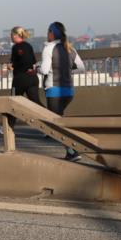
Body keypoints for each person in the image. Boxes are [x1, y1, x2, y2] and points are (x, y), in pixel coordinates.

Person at [40, 21, 86, 161]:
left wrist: (36, 68)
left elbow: (44, 70)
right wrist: (67, 69)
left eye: (48, 31)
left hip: (54, 90)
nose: (47, 34)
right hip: (69, 92)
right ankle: (72, 150)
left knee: (55, 123)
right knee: (60, 119)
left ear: (52, 33)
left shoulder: (49, 48)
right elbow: (81, 67)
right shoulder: (70, 49)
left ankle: (73, 151)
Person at [7, 26, 42, 130]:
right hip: (32, 78)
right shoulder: (29, 46)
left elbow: (23, 62)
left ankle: (9, 126)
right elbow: (33, 62)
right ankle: (51, 122)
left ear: (15, 35)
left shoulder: (16, 47)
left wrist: (12, 66)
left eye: (11, 35)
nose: (10, 37)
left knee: (13, 103)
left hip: (20, 79)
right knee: (36, 102)